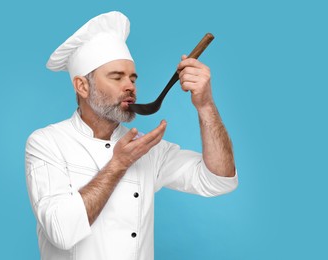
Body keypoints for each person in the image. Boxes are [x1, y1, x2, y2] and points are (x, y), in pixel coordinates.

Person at [25, 11, 238, 260]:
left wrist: (205, 105)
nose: (130, 86)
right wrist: (118, 164)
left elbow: (220, 180)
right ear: (82, 86)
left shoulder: (146, 148)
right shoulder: (47, 143)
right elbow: (60, 232)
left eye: (132, 78)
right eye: (117, 77)